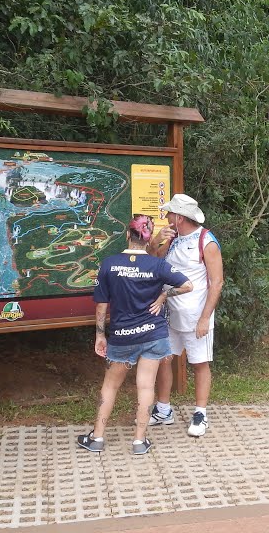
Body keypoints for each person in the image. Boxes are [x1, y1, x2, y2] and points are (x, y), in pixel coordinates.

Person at [76, 214, 193, 455]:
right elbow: (187, 285)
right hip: (154, 334)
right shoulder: (158, 265)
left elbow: (101, 304)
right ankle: (139, 441)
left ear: (128, 235)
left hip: (122, 337)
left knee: (110, 386)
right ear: (149, 238)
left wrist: (100, 335)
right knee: (146, 386)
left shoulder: (109, 264)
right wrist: (163, 296)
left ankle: (97, 437)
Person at [147, 194, 223, 437]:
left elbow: (217, 282)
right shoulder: (172, 238)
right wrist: (156, 242)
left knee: (199, 363)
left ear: (179, 217)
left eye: (169, 213)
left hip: (195, 316)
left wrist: (204, 318)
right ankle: (163, 409)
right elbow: (153, 262)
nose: (166, 217)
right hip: (169, 314)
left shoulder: (206, 241)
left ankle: (200, 413)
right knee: (164, 359)